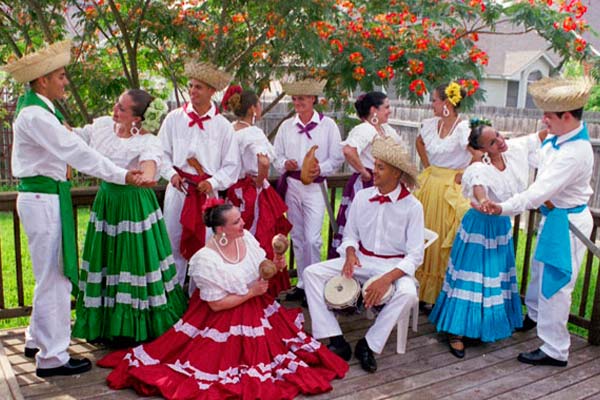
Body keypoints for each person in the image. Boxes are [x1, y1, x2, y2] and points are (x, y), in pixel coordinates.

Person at [97, 200, 348, 399]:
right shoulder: (206, 259)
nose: (243, 224)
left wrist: (276, 263)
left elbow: (263, 270)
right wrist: (251, 292)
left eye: (240, 219)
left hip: (255, 305)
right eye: (236, 222)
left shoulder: (246, 239)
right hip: (219, 314)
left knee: (284, 354)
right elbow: (215, 304)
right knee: (216, 367)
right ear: (220, 229)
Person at [1, 40, 144, 377]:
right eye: (61, 76)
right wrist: (121, 174)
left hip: (47, 197)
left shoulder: (38, 109)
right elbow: (76, 152)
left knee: (48, 274)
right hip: (44, 197)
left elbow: (73, 144)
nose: (65, 82)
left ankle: (37, 339)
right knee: (56, 277)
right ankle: (53, 357)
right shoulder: (36, 114)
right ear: (42, 80)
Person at [480, 77, 594, 367]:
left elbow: (535, 194)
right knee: (539, 274)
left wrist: (502, 207)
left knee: (556, 285)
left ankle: (556, 349)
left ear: (567, 116)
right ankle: (534, 316)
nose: (544, 120)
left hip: (567, 224)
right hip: (554, 219)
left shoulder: (574, 153)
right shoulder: (556, 140)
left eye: (548, 116)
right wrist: (495, 148)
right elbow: (526, 150)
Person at [72, 89, 188, 345]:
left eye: (122, 108)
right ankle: (106, 323)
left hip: (134, 204)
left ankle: (134, 325)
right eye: (117, 104)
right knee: (107, 260)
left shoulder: (147, 141)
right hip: (107, 201)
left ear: (136, 118)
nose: (115, 110)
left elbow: (150, 164)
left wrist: (147, 176)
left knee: (132, 259)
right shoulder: (103, 127)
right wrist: (60, 129)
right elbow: (77, 137)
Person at [304, 136, 424, 373]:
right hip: (361, 260)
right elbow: (350, 235)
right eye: (375, 165)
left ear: (397, 174)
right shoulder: (362, 197)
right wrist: (349, 254)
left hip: (393, 266)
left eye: (380, 167)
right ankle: (335, 339)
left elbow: (415, 255)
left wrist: (387, 279)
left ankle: (368, 344)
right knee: (311, 273)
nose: (374, 171)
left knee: (408, 294)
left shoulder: (413, 207)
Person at [429, 119, 547, 358]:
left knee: (494, 276)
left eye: (499, 135)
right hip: (479, 227)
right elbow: (478, 188)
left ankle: (482, 326)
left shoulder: (515, 148)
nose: (501, 142)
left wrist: (555, 116)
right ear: (483, 149)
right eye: (493, 142)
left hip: (501, 225)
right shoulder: (478, 168)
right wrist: (484, 202)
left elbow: (541, 136)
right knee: (470, 276)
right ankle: (456, 332)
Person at [159, 61, 241, 292]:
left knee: (205, 247)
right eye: (191, 86)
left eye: (199, 87)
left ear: (212, 91)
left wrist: (213, 182)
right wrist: (170, 174)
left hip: (207, 196)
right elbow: (160, 153)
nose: (193, 91)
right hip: (179, 191)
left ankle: (199, 298)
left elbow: (231, 166)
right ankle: (172, 297)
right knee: (173, 241)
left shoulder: (223, 126)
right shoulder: (174, 119)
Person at [274, 78, 343, 303]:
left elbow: (337, 158)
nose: (297, 102)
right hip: (292, 186)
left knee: (313, 238)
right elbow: (277, 157)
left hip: (315, 187)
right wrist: (286, 164)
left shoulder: (328, 126)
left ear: (313, 99)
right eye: (294, 98)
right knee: (298, 236)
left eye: (301, 98)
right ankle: (303, 284)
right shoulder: (286, 127)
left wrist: (318, 169)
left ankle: (315, 284)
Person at [222, 86, 293, 297]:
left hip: (233, 191)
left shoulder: (229, 129)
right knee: (260, 236)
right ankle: (260, 288)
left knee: (236, 236)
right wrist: (261, 181)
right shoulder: (252, 132)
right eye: (259, 104)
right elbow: (263, 160)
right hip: (252, 191)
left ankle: (236, 285)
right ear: (253, 108)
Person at [414, 81, 472, 308]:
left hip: (450, 189)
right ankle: (419, 291)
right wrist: (428, 164)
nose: (432, 105)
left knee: (442, 240)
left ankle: (439, 295)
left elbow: (479, 154)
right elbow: (419, 142)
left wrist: (465, 173)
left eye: (435, 100)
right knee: (421, 235)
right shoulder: (430, 125)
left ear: (447, 103)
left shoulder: (462, 129)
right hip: (429, 185)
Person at [329, 91, 404, 258]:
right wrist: (364, 171)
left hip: (387, 183)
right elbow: (349, 150)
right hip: (369, 182)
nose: (389, 111)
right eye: (386, 107)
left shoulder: (386, 129)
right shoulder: (365, 129)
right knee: (363, 223)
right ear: (373, 110)